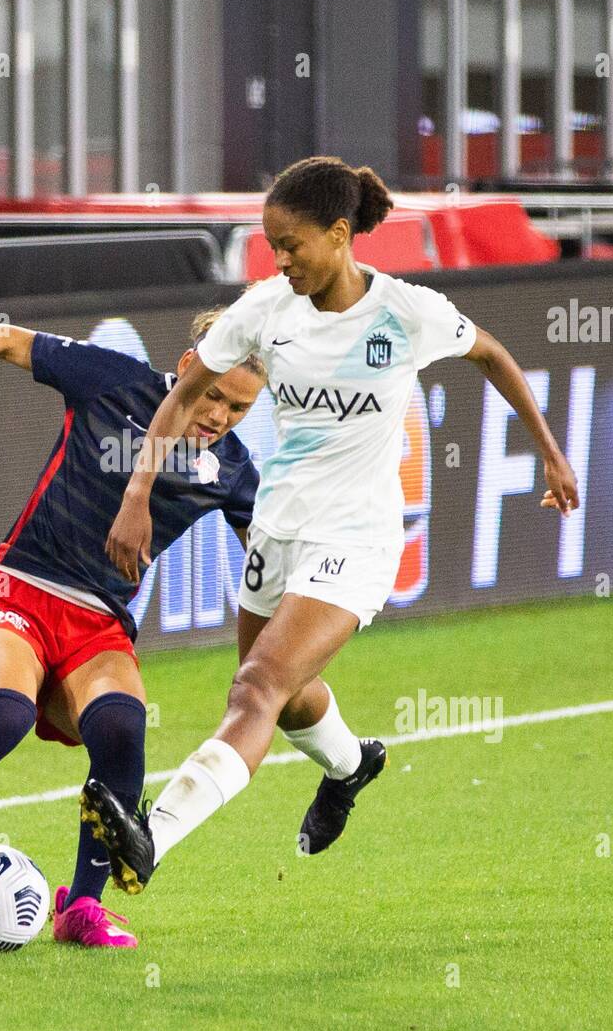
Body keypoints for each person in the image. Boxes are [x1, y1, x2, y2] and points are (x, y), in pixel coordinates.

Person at [81, 155, 580, 892]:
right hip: (281, 528)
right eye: (272, 246)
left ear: (341, 235)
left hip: (358, 540)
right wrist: (136, 495)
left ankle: (155, 835)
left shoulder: (404, 312)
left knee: (255, 688)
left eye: (293, 245)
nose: (281, 260)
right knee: (280, 700)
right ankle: (352, 766)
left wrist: (550, 455)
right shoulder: (264, 311)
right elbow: (183, 396)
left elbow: (493, 355)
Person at [0, 310, 267, 951]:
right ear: (188, 367)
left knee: (122, 728)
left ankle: (81, 907)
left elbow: (265, 565)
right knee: (2, 716)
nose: (218, 415)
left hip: (99, 622)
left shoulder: (234, 472)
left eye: (239, 408)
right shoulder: (114, 382)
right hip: (19, 587)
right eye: (212, 393)